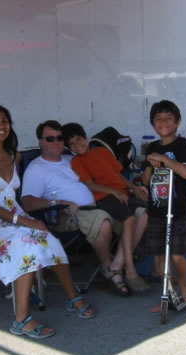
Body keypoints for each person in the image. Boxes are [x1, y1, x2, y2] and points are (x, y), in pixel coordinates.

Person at [0, 103, 96, 340]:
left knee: (50, 241)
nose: (1, 126)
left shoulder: (13, 155)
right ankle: (21, 319)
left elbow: (15, 197)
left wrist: (26, 221)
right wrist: (25, 221)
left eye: (5, 121)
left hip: (15, 217)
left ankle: (72, 297)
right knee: (29, 245)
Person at [21, 120, 131, 297]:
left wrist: (127, 188)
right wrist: (55, 203)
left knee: (139, 215)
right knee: (103, 220)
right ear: (40, 142)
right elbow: (27, 202)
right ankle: (107, 268)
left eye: (59, 138)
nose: (56, 142)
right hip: (68, 214)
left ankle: (118, 264)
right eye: (50, 139)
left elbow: (102, 178)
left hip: (100, 204)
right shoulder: (36, 169)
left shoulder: (72, 159)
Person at [62, 122, 151, 293]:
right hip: (104, 196)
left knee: (147, 210)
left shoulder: (102, 152)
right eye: (71, 143)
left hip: (121, 192)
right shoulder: (77, 161)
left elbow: (117, 176)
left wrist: (134, 188)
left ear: (85, 138)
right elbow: (90, 185)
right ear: (69, 148)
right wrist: (115, 192)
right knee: (130, 218)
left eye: (79, 139)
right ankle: (131, 271)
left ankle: (120, 263)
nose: (77, 145)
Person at [141, 100, 186, 310]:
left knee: (176, 254)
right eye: (158, 119)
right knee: (161, 255)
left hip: (177, 209)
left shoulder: (182, 145)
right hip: (156, 208)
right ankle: (168, 292)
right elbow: (146, 180)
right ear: (153, 123)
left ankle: (183, 284)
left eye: (168, 118)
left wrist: (163, 159)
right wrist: (150, 163)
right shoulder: (152, 147)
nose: (163, 122)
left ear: (177, 122)